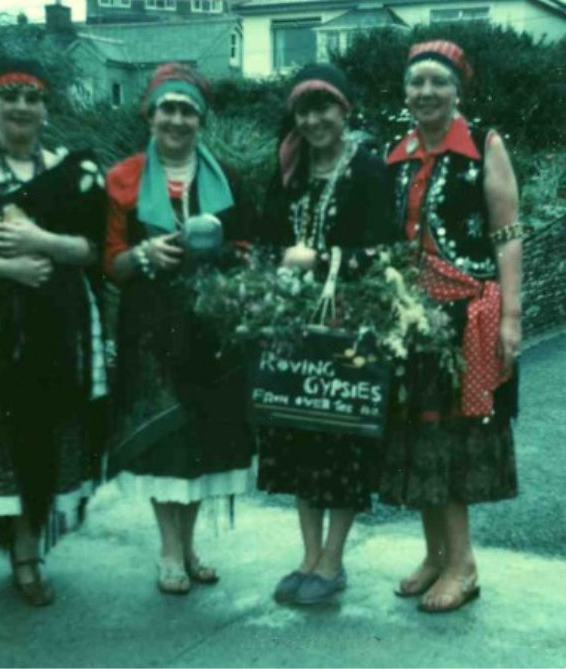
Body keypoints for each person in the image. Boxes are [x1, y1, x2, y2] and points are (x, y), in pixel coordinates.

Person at [104, 63, 256, 595]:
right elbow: (110, 263)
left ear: (201, 120)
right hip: (151, 329)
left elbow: (247, 249)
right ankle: (169, 549)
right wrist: (144, 253)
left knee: (203, 441)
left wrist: (226, 260)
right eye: (167, 108)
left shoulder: (228, 180)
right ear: (150, 114)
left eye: (187, 110)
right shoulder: (123, 179)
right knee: (166, 440)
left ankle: (189, 546)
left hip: (212, 329)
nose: (176, 119)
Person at [382, 40, 522, 613]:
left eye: (438, 82)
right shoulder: (397, 152)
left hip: (468, 316)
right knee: (418, 436)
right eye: (417, 83)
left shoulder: (484, 144)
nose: (426, 93)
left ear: (457, 90)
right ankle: (435, 554)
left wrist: (512, 316)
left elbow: (507, 233)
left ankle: (463, 566)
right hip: (412, 320)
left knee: (451, 443)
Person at [255, 63, 396, 605]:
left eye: (324, 107)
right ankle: (308, 555)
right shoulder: (289, 167)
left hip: (346, 325)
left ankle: (333, 560)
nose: (315, 119)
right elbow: (267, 241)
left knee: (339, 444)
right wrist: (276, 268)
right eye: (305, 109)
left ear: (345, 110)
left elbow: (384, 254)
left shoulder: (368, 169)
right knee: (297, 439)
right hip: (295, 326)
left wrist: (317, 260)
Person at [0, 59, 107, 606]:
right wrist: (10, 268)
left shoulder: (70, 170)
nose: (22, 107)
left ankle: (28, 555)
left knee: (40, 434)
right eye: (10, 97)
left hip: (53, 329)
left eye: (32, 97)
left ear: (45, 109)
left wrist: (35, 240)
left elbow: (91, 249)